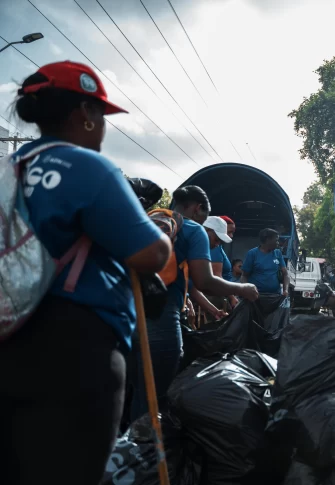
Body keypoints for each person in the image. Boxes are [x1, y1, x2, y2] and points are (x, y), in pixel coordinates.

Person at [0, 61, 172, 485]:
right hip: (74, 355)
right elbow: (150, 254)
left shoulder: (8, 170)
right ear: (85, 115)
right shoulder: (87, 168)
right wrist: (164, 234)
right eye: (102, 117)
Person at [130, 186, 259, 421]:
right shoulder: (193, 230)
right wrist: (243, 288)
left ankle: (126, 448)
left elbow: (190, 285)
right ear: (199, 209)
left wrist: (211, 309)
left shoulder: (146, 220)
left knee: (135, 389)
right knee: (157, 395)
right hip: (161, 316)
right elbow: (205, 281)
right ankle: (149, 450)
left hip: (127, 314)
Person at [242, 228, 290, 297]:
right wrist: (247, 291)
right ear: (268, 240)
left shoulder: (278, 253)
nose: (278, 243)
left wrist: (285, 290)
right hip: (256, 296)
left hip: (275, 295)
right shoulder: (252, 253)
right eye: (276, 240)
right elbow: (244, 276)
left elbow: (285, 274)